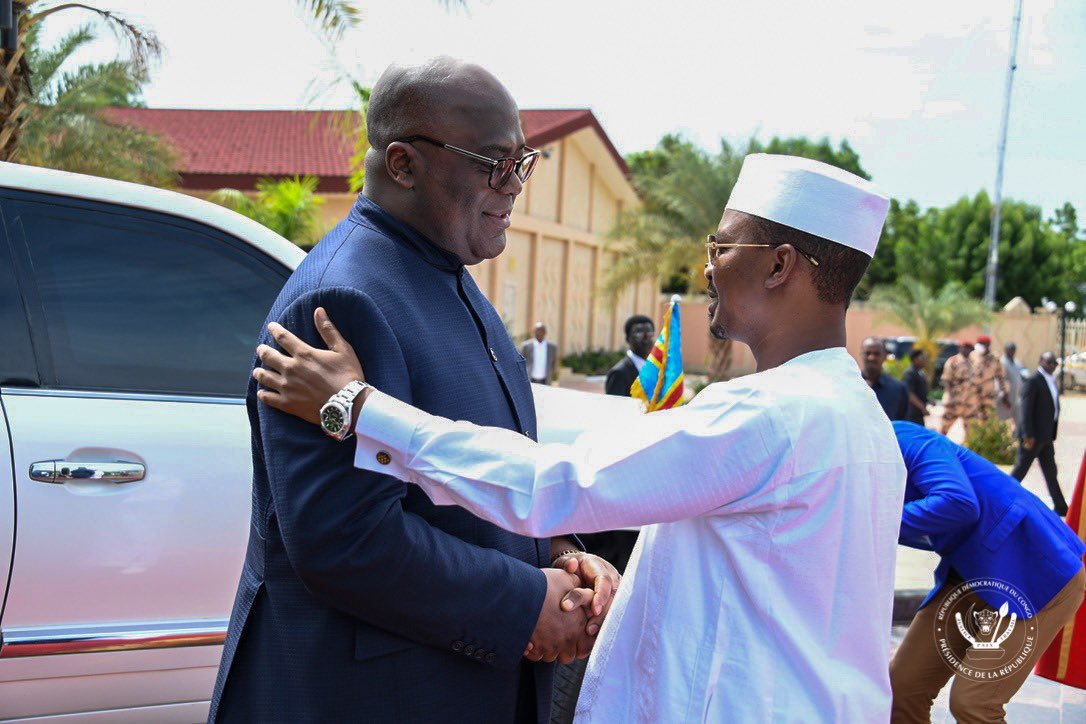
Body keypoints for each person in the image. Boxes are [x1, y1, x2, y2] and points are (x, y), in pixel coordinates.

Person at [253, 154, 907, 721]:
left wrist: (359, 408)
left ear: (779, 265)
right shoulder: (860, 420)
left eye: (722, 248)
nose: (707, 270)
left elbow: (556, 484)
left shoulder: (772, 415)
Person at [209, 58, 618, 723]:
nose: (514, 185)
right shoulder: (341, 299)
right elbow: (347, 539)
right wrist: (524, 604)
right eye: (494, 164)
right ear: (403, 164)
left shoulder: (444, 271)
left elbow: (478, 471)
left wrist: (562, 555)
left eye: (523, 162)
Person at [889, 421, 1085, 723]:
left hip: (1035, 570)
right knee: (903, 689)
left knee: (974, 704)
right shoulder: (846, 470)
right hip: (968, 573)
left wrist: (876, 519)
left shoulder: (904, 437)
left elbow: (958, 502)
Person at [1011, 352, 1069, 516]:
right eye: (1049, 362)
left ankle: (1061, 506)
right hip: (1033, 436)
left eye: (1054, 363)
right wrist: (1027, 435)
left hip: (1045, 436)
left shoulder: (1050, 380)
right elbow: (1026, 409)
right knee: (1020, 470)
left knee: (1051, 472)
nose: (1052, 366)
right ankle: (999, 498)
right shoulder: (1033, 380)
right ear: (1040, 362)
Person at [604, 315, 654, 397]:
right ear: (628, 339)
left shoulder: (655, 369)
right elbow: (613, 404)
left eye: (649, 333)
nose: (645, 338)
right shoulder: (619, 373)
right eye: (639, 333)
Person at [862, 335, 909, 420]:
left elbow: (901, 421)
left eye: (876, 354)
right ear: (861, 355)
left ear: (884, 356)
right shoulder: (850, 385)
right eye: (868, 353)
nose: (871, 357)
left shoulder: (899, 389)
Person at [968, 334, 1008, 424]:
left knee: (988, 419)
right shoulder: (972, 355)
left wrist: (1004, 392)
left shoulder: (995, 358)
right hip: (974, 393)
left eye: (981, 344)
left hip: (988, 393)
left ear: (987, 345)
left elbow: (1001, 376)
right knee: (973, 420)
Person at [940, 341, 973, 435]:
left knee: (970, 430)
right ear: (960, 348)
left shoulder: (972, 362)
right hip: (954, 400)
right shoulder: (953, 361)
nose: (967, 350)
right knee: (945, 428)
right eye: (965, 347)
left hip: (967, 402)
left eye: (969, 348)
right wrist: (950, 397)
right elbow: (946, 380)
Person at [999, 340, 1025, 428]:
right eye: (1010, 349)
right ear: (1005, 350)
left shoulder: (1017, 362)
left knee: (1019, 421)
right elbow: (1001, 380)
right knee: (1004, 422)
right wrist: (1004, 396)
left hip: (1017, 396)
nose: (1012, 351)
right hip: (1006, 398)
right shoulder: (1002, 362)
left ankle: (1018, 436)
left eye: (1013, 349)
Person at [901, 348, 930, 425]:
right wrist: (923, 408)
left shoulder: (919, 373)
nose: (924, 360)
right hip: (911, 413)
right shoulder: (909, 374)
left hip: (918, 414)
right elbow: (910, 394)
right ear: (915, 359)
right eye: (922, 358)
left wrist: (929, 400)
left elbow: (919, 391)